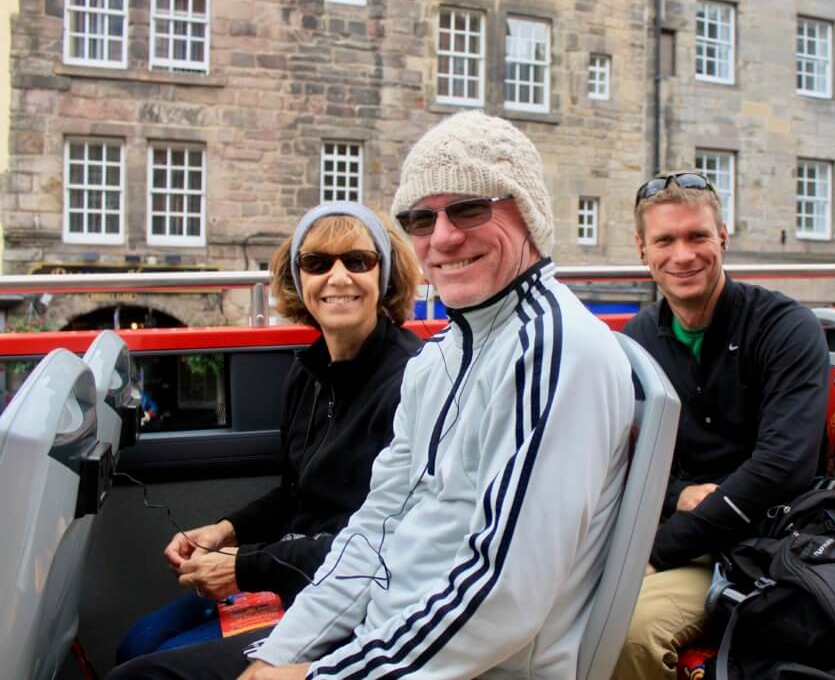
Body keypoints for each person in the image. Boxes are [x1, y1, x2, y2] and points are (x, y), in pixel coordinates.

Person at [111, 110, 635, 680]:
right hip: (388, 637)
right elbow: (375, 529)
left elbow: (504, 592)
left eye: (469, 207)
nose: (444, 236)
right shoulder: (442, 358)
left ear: (528, 211)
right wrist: (278, 653)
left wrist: (322, 676)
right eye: (420, 217)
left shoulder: (552, 349)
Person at [114, 202, 422, 663]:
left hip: (352, 596)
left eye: (358, 261)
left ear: (385, 275)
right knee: (136, 642)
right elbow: (296, 494)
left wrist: (243, 569)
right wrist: (225, 531)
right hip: (295, 571)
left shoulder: (412, 380)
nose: (338, 278)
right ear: (300, 280)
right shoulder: (308, 374)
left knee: (146, 672)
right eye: (317, 263)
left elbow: (387, 541)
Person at [612, 172, 829, 679]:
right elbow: (617, 457)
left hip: (764, 543)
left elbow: (784, 468)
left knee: (627, 631)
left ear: (723, 238)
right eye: (665, 240)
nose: (683, 255)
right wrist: (679, 494)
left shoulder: (784, 327)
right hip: (684, 532)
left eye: (697, 236)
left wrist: (660, 549)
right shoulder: (639, 337)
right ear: (643, 250)